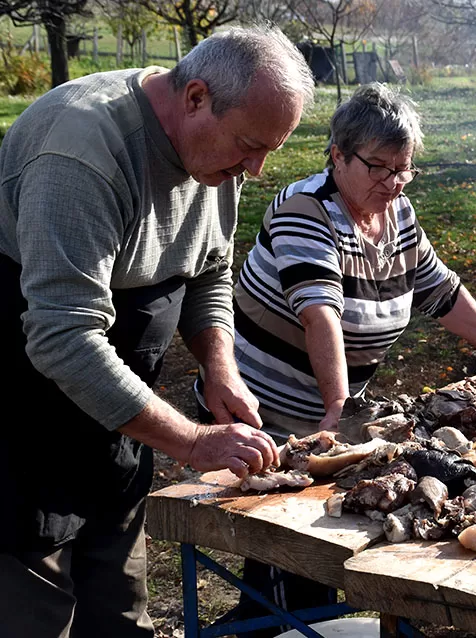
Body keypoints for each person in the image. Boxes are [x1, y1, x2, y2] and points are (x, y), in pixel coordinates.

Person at [0, 25, 314, 638]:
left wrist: (218, 363)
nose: (256, 168)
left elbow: (212, 271)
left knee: (120, 617)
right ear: (195, 97)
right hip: (24, 422)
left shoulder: (215, 162)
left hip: (116, 428)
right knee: (35, 618)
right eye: (249, 145)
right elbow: (63, 338)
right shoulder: (81, 153)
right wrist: (195, 443)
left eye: (268, 150)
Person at [227, 82, 476, 634]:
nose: (394, 182)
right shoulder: (305, 209)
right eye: (379, 167)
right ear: (337, 155)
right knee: (290, 552)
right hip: (262, 407)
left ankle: (287, 622)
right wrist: (339, 406)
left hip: (329, 407)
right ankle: (268, 625)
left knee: (318, 549)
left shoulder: (397, 211)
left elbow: (440, 291)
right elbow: (319, 311)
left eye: (404, 169)